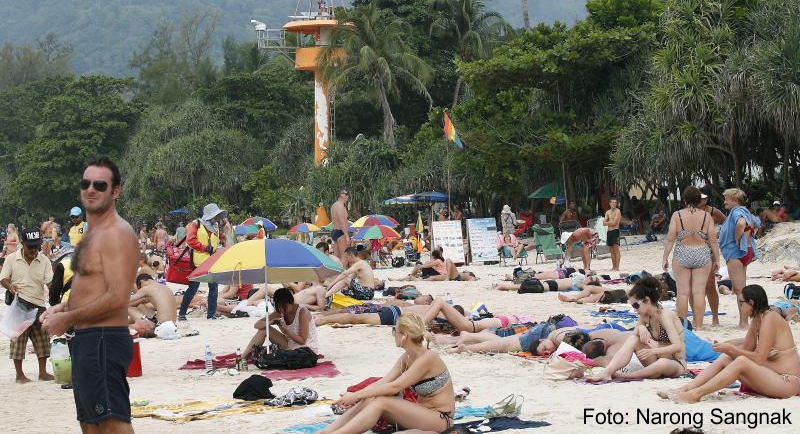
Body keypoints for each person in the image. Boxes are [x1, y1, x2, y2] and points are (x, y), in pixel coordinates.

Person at [41, 156, 139, 433]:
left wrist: (68, 317)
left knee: (111, 422)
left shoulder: (116, 233)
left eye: (100, 184)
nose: (91, 189)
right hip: (88, 341)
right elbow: (91, 287)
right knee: (90, 423)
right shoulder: (92, 233)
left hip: (103, 341)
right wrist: (63, 309)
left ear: (115, 191)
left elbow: (118, 297)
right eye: (86, 184)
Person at [319, 314, 455, 434]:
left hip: (440, 419)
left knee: (382, 401)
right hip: (421, 413)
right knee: (372, 398)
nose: (393, 334)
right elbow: (384, 382)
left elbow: (395, 387)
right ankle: (327, 431)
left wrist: (356, 395)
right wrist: (355, 397)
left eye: (394, 330)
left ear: (404, 336)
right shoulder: (407, 357)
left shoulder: (428, 357)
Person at [664, 285, 800, 403]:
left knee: (740, 360)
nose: (740, 306)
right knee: (726, 358)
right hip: (772, 376)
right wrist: (726, 348)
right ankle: (685, 388)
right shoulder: (757, 320)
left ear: (751, 302)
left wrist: (730, 348)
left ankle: (695, 395)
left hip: (787, 381)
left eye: (741, 303)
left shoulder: (769, 319)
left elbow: (758, 358)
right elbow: (746, 348)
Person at [587, 277, 686, 382]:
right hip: (654, 362)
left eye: (636, 305)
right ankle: (607, 372)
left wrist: (653, 351)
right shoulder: (645, 316)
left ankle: (626, 376)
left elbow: (677, 346)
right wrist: (641, 327)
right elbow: (633, 335)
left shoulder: (665, 316)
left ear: (647, 300)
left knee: (662, 362)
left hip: (675, 364)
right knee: (634, 338)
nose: (634, 310)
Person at [661, 186, 721, 331]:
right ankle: (699, 326)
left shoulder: (677, 215)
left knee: (682, 292)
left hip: (682, 252)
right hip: (701, 252)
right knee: (699, 292)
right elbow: (712, 240)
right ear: (699, 200)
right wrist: (718, 259)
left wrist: (665, 257)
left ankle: (683, 327)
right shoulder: (706, 216)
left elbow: (670, 238)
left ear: (685, 199)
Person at [0, 228, 54, 383]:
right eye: (30, 246)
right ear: (23, 244)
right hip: (19, 305)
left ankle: (43, 372)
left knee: (42, 341)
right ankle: (19, 375)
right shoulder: (11, 259)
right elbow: (3, 278)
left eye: (36, 246)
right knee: (18, 342)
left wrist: (55, 290)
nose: (33, 249)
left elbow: (49, 282)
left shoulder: (44, 260)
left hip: (38, 305)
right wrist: (10, 286)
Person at [178, 203, 227, 321]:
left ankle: (211, 314)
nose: (217, 217)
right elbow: (190, 241)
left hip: (213, 261)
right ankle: (182, 313)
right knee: (193, 288)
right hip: (198, 263)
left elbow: (219, 240)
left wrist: (226, 232)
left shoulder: (215, 226)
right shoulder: (196, 224)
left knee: (214, 288)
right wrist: (205, 248)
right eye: (215, 215)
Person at [719, 188, 759, 329]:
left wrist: (737, 239)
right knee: (741, 288)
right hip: (745, 251)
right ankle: (745, 321)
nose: (725, 202)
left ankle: (743, 322)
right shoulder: (745, 211)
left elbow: (741, 224)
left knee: (739, 290)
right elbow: (756, 223)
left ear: (734, 200)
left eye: (727, 199)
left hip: (736, 253)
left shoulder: (736, 211)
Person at [243, 288, 319, 359]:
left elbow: (302, 341)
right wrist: (271, 322)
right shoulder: (280, 311)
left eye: (284, 306)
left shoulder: (302, 312)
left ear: (291, 302)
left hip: (305, 349)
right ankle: (243, 358)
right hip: (289, 344)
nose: (282, 310)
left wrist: (286, 330)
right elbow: (257, 325)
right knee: (264, 330)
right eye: (279, 307)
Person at [698, 190, 727, 327]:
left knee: (710, 285)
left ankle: (715, 318)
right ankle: (699, 318)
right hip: (694, 250)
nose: (701, 201)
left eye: (703, 198)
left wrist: (717, 235)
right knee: (697, 287)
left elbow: (726, 222)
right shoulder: (688, 212)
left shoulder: (712, 211)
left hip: (708, 249)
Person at [315, 303, 433, 327]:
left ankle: (323, 317)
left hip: (394, 310)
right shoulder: (438, 310)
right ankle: (323, 319)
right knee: (358, 319)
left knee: (357, 314)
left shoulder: (430, 307)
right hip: (395, 315)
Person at [494, 275, 602, 293]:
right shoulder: (580, 281)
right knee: (522, 285)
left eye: (591, 278)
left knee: (522, 286)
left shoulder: (582, 285)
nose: (588, 277)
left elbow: (589, 289)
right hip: (550, 283)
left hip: (551, 286)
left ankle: (501, 287)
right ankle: (501, 286)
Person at [331, 189, 351, 262]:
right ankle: (343, 273)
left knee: (336, 257)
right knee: (344, 256)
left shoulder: (334, 205)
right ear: (341, 195)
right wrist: (347, 236)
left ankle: (335, 272)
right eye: (346, 194)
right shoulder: (339, 206)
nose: (348, 196)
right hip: (340, 232)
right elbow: (341, 221)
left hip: (335, 231)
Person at [603, 197, 622, 270]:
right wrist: (610, 222)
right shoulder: (607, 212)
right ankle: (613, 266)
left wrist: (609, 222)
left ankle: (617, 267)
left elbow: (614, 223)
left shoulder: (618, 211)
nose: (614, 204)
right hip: (609, 232)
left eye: (615, 202)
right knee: (611, 250)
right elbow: (603, 223)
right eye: (613, 202)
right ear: (610, 203)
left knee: (616, 250)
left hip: (615, 231)